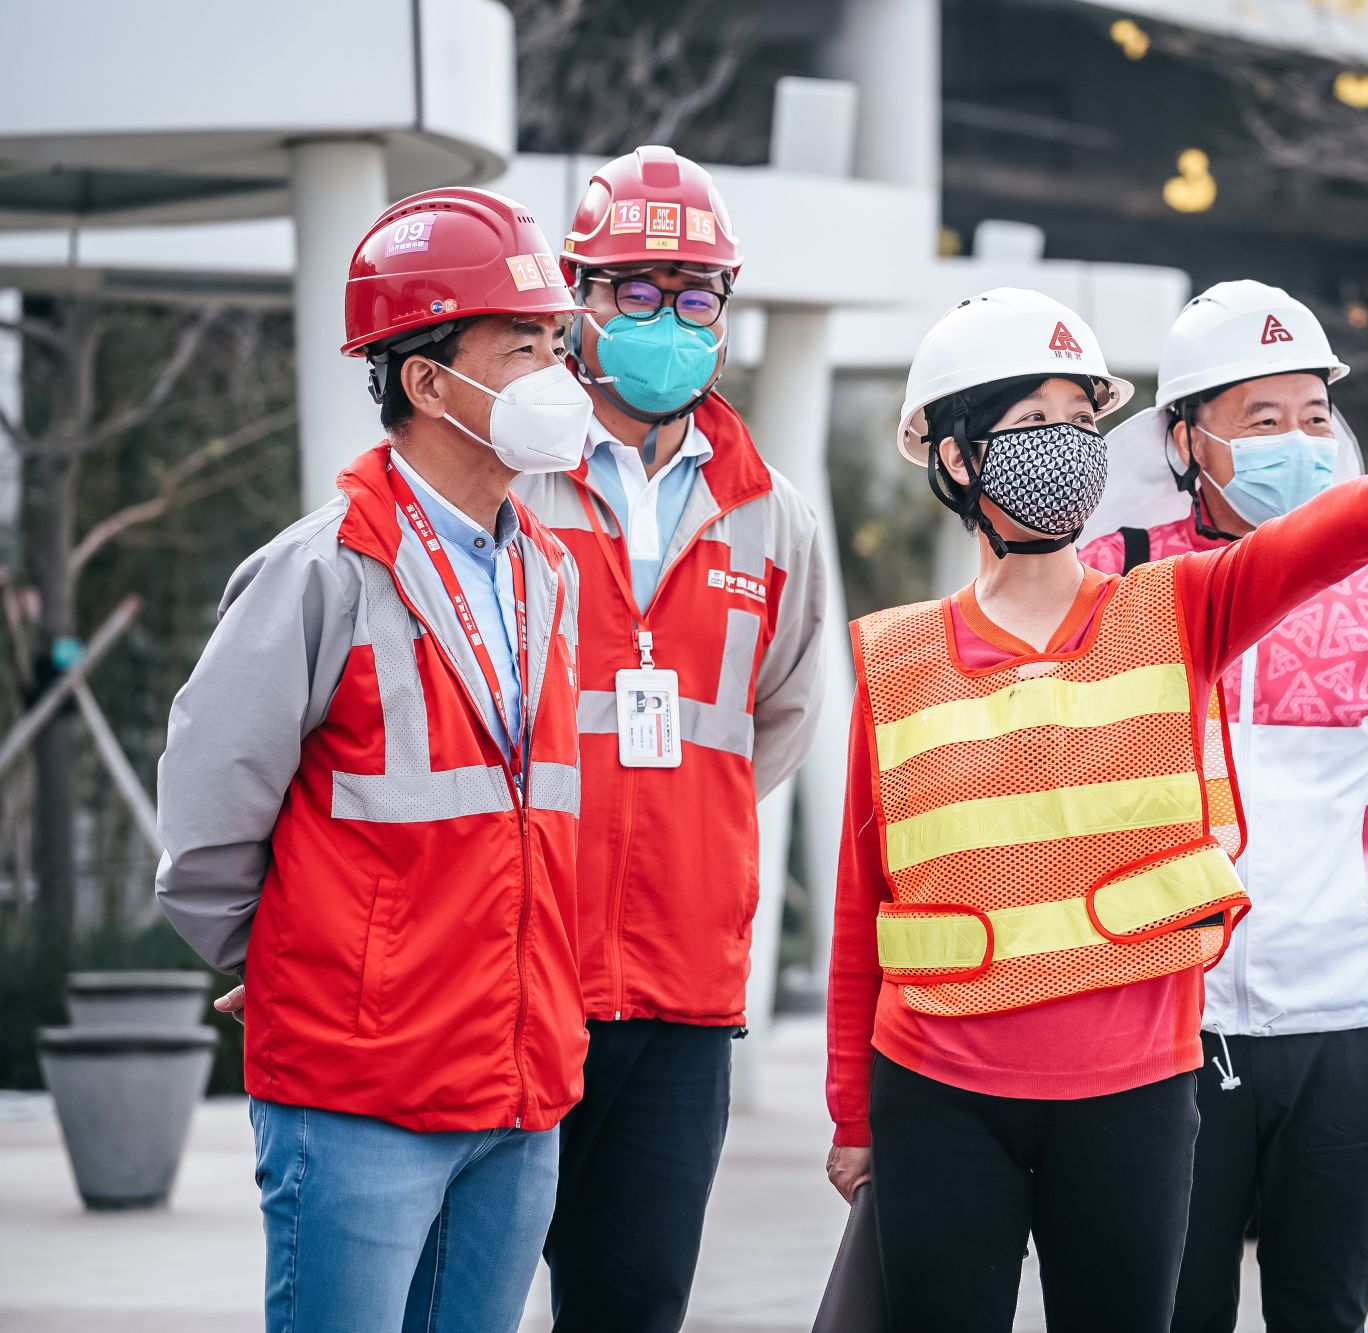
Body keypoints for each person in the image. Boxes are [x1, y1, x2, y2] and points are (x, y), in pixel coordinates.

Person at [821, 287, 1368, 1333]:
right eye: (1030, 426)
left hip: (1149, 1078)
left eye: (1080, 424)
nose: (1063, 451)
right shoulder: (901, 657)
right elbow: (865, 909)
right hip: (949, 1081)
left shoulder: (1176, 608)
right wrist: (851, 1111)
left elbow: (1325, 544)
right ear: (954, 457)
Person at [154, 186, 593, 1332]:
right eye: (521, 345)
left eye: (556, 342)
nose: (556, 372)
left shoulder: (550, 574)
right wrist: (306, 965)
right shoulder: (319, 571)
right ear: (426, 380)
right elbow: (204, 823)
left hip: (517, 1089)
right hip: (358, 1100)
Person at [1078, 280, 1368, 1333]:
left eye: (1313, 419)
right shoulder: (1104, 590)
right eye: (1260, 421)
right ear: (1184, 440)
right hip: (1161, 1031)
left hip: (1346, 1036)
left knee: (1324, 1308)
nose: (1295, 443)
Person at [514, 145, 829, 1333]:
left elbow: (778, 718)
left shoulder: (769, 511)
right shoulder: (509, 481)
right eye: (634, 292)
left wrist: (684, 824)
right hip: (517, 963)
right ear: (575, 305)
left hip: (684, 989)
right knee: (470, 1294)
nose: (666, 319)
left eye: (694, 296)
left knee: (635, 1304)